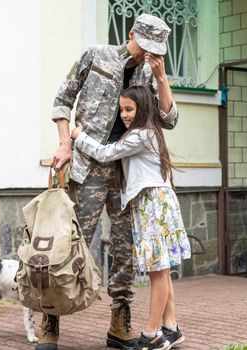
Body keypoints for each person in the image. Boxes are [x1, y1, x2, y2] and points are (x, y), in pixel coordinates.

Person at [47, 14, 179, 350]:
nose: (145, 54)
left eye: (154, 49)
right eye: (144, 46)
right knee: (70, 244)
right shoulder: (96, 56)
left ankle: (120, 323)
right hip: (87, 171)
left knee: (125, 253)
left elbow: (170, 119)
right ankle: (50, 320)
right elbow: (63, 100)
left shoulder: (151, 72)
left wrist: (162, 78)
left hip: (126, 175)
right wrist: (65, 142)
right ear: (131, 34)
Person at [71, 85, 191, 350]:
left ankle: (151, 335)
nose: (124, 115)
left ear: (142, 109)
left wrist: (79, 137)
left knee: (157, 273)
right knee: (162, 271)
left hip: (153, 205)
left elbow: (105, 153)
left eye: (129, 109)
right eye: (122, 109)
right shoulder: (147, 133)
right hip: (155, 203)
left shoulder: (140, 136)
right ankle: (171, 327)